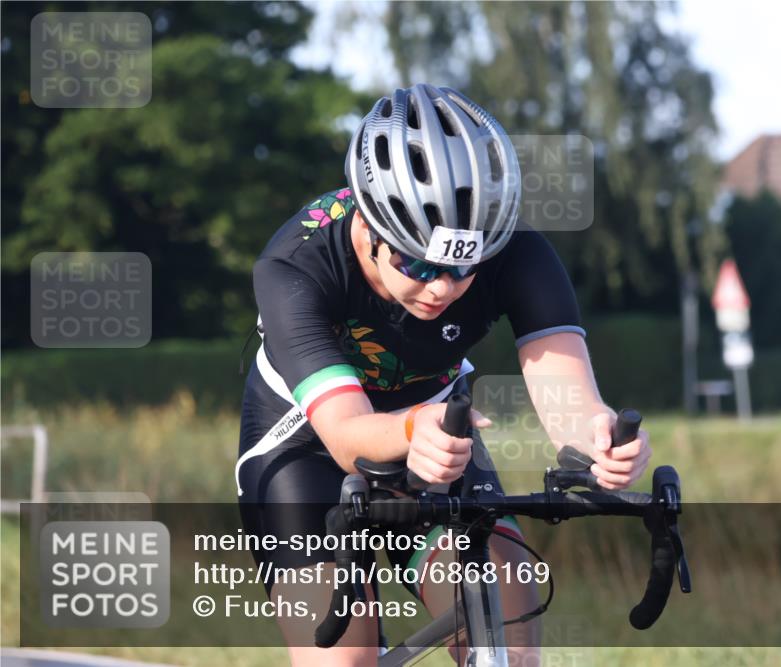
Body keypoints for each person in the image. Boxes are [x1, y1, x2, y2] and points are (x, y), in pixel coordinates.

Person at [236, 83, 652, 666]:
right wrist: (410, 432)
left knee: (503, 615)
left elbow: (570, 403)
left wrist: (599, 439)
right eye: (419, 262)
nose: (442, 287)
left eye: (464, 267)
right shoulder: (295, 266)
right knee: (342, 659)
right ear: (368, 227)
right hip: (304, 442)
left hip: (438, 428)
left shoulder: (515, 251)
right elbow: (348, 435)